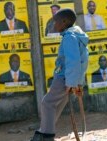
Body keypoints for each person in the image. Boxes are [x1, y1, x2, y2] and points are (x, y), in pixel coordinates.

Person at [30, 8, 89, 141]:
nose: (53, 25)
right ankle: (44, 131)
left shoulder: (70, 37)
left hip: (64, 78)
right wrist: (78, 82)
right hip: (69, 78)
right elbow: (83, 61)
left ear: (64, 22)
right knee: (55, 104)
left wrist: (71, 83)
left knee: (47, 103)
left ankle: (46, 135)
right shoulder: (77, 36)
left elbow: (73, 62)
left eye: (55, 22)